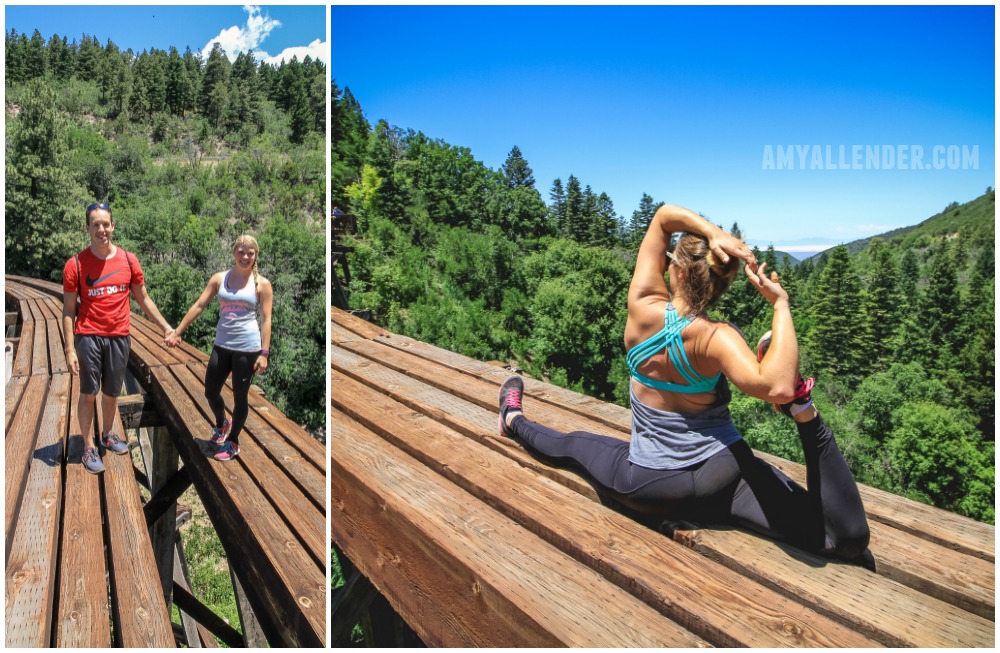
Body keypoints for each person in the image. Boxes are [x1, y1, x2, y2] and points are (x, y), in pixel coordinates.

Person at [498, 204, 872, 568]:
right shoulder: (719, 339)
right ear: (721, 285)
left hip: (653, 485)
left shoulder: (642, 306)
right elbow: (776, 388)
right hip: (723, 475)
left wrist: (713, 233)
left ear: (675, 270)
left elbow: (662, 218)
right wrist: (781, 306)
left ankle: (512, 417)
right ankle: (804, 407)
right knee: (844, 539)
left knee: (574, 444)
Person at [63, 201, 175, 474]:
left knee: (112, 392)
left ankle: (108, 435)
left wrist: (166, 327)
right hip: (88, 336)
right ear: (88, 228)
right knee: (89, 393)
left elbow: (144, 299)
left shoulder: (128, 260)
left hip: (119, 336)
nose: (101, 229)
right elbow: (68, 310)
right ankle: (88, 446)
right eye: (96, 225)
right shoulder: (75, 264)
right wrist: (69, 348)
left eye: (106, 224)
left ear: (113, 226)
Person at [166, 235, 273, 462]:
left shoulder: (261, 284)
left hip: (247, 347)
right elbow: (199, 305)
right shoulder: (220, 278)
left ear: (256, 255)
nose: (245, 257)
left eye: (250, 253)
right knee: (211, 391)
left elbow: (266, 319)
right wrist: (178, 330)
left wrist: (264, 353)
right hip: (222, 344)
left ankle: (233, 441)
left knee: (240, 396)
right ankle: (223, 423)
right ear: (234, 252)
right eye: (241, 252)